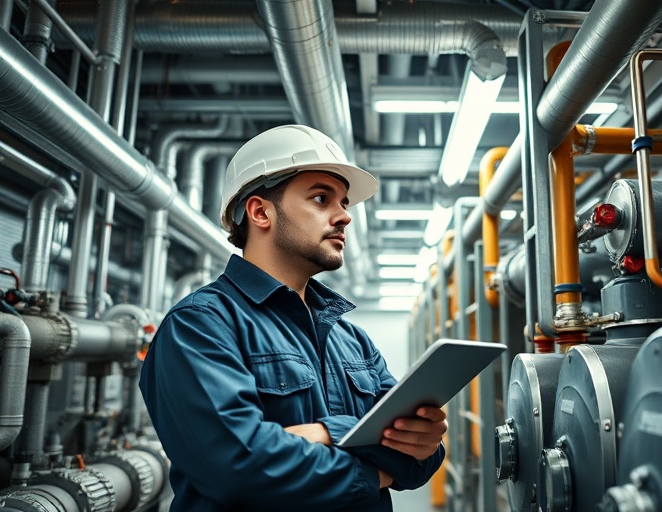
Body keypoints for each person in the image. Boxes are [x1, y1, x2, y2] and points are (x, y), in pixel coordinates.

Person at [139, 125, 447, 511]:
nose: (344, 217)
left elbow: (420, 463)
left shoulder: (350, 338)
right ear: (260, 212)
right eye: (321, 198)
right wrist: (368, 464)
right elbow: (238, 468)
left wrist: (418, 442)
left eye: (344, 203)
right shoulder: (200, 325)